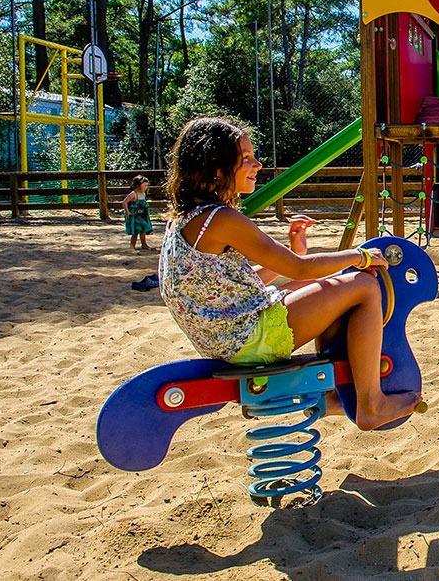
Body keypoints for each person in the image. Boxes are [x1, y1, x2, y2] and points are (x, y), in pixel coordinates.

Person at [158, 117, 422, 430]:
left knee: (327, 286)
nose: (257, 164)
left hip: (229, 339)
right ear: (216, 168)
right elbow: (298, 269)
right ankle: (371, 404)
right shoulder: (221, 219)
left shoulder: (184, 222)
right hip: (251, 340)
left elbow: (231, 287)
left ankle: (337, 393)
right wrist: (360, 256)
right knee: (363, 285)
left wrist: (294, 253)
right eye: (245, 159)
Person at [121, 175, 154, 251]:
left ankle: (144, 244)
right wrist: (127, 212)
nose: (146, 187)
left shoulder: (143, 194)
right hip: (134, 215)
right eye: (144, 185)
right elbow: (124, 202)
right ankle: (132, 245)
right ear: (138, 185)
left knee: (143, 229)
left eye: (147, 186)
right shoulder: (133, 194)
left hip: (142, 215)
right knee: (135, 231)